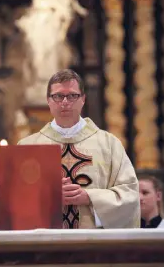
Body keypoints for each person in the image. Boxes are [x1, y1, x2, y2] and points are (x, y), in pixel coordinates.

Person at [18, 69, 140, 229]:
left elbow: (129, 195)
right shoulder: (27, 147)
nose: (65, 102)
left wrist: (89, 197)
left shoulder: (109, 144)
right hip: (45, 244)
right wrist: (49, 196)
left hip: (95, 245)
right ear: (48, 100)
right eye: (58, 96)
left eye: (72, 95)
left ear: (83, 99)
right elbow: (15, 202)